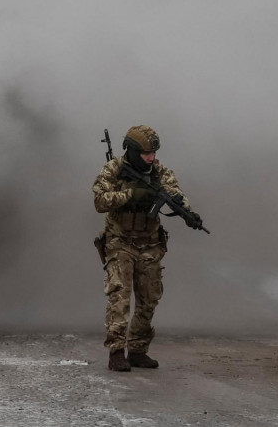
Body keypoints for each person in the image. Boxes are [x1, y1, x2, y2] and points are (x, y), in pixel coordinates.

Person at [92, 125, 201, 372]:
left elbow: (175, 193)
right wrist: (130, 195)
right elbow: (99, 200)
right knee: (119, 298)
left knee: (149, 299)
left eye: (153, 153)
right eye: (145, 153)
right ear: (131, 151)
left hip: (150, 244)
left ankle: (138, 350)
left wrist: (187, 212)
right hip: (120, 242)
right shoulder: (114, 169)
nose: (151, 158)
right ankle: (117, 352)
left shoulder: (159, 172)